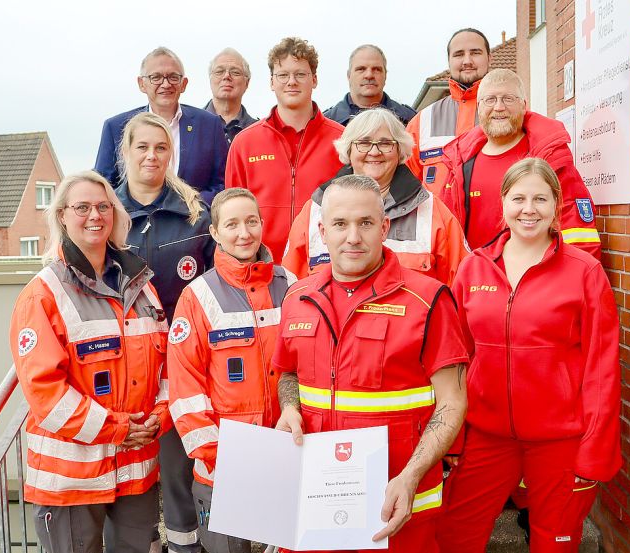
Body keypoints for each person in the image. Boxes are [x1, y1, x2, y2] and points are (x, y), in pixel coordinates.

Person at [273, 175, 469, 553]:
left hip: (396, 504)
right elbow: (289, 373)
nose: (353, 237)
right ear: (322, 230)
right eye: (340, 224)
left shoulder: (428, 299)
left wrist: (411, 477)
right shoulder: (298, 297)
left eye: (365, 223)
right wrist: (289, 407)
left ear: (384, 227)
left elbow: (453, 401)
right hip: (317, 500)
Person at [436, 158, 621, 552]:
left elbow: (602, 367)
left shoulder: (584, 272)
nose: (529, 209)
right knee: (453, 536)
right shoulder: (473, 269)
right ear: (502, 204)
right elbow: (454, 358)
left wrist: (595, 447)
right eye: (518, 198)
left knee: (554, 544)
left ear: (557, 205)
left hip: (560, 441)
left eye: (540, 198)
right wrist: (450, 436)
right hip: (485, 436)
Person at [10, 170, 170, 553]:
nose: (94, 215)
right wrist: (117, 429)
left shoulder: (142, 285)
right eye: (82, 207)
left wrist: (160, 416)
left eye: (103, 206)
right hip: (71, 482)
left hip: (135, 472)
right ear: (62, 216)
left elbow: (167, 366)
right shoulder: (42, 295)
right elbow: (46, 395)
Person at [166, 188, 296, 553]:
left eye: (251, 221)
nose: (244, 233)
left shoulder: (292, 285)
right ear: (215, 233)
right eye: (232, 224)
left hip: (286, 463)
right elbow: (185, 391)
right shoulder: (197, 297)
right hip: (221, 472)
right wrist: (224, 458)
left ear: (262, 224)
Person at [114, 111, 216, 553]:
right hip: (123, 368)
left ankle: (184, 547)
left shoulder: (196, 214)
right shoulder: (106, 213)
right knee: (124, 478)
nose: (152, 156)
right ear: (126, 152)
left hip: (184, 367)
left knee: (177, 473)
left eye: (161, 147)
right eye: (143, 147)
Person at [283, 108, 468, 285]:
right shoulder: (315, 210)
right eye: (364, 143)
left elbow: (460, 287)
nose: (374, 152)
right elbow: (292, 288)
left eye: (385, 143)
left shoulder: (432, 211)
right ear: (348, 150)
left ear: (400, 151)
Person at [440, 69, 601, 259]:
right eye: (490, 100)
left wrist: (568, 283)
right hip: (476, 283)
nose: (499, 107)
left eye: (508, 99)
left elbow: (578, 234)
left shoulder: (549, 156)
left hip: (537, 281)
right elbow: (444, 236)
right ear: (479, 107)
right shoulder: (459, 163)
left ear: (524, 105)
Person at [225, 36, 344, 258]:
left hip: (323, 268)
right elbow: (231, 213)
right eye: (283, 75)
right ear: (272, 82)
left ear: (314, 79)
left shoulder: (342, 141)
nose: (292, 81)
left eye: (300, 74)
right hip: (262, 267)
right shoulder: (245, 143)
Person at [95, 47, 229, 203]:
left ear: (183, 84)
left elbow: (223, 183)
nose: (165, 84)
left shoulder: (209, 125)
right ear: (141, 84)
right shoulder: (116, 127)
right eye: (156, 77)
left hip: (194, 222)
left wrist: (190, 202)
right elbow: (103, 187)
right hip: (134, 223)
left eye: (173, 77)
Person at [406, 28, 491, 195]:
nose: (467, 61)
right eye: (459, 54)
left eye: (475, 53)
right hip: (438, 221)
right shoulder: (422, 121)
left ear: (489, 58)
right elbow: (406, 187)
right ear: (449, 61)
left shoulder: (510, 113)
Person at [323, 45, 417, 126]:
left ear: (385, 75)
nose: (369, 75)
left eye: (376, 69)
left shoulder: (411, 120)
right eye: (361, 69)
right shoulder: (325, 123)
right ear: (349, 76)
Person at [204, 48, 258, 144]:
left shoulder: (260, 131)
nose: (226, 76)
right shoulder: (189, 126)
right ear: (210, 79)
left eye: (235, 72)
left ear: (247, 83)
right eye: (219, 71)